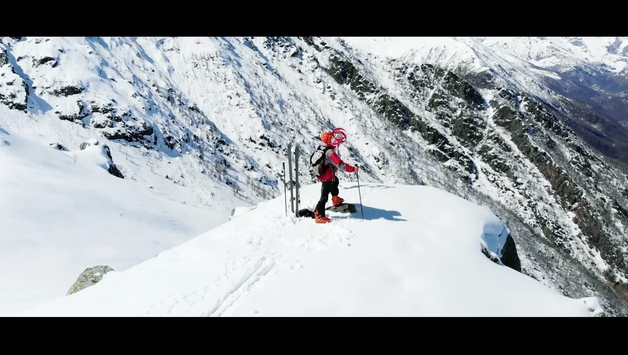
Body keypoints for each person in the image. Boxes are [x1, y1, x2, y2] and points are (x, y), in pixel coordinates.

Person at [313, 128, 357, 224]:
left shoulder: (320, 148)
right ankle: (319, 215)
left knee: (335, 181)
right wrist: (352, 169)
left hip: (325, 175)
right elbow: (340, 164)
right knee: (324, 197)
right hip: (327, 177)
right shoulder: (329, 152)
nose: (334, 141)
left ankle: (335, 199)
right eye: (331, 139)